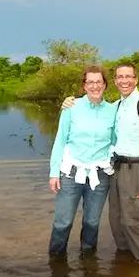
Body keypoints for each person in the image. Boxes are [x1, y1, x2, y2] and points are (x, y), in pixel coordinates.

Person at [61, 62, 139, 262]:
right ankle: (124, 264)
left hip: (137, 169)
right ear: (115, 81)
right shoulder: (116, 106)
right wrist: (68, 102)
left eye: (129, 76)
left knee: (134, 220)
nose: (124, 81)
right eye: (120, 77)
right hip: (116, 168)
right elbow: (94, 114)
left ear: (136, 79)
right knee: (116, 220)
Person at [48, 65, 117, 258]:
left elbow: (116, 142)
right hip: (71, 173)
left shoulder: (113, 110)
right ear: (84, 85)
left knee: (92, 223)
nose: (95, 86)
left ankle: (88, 263)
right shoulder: (72, 107)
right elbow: (60, 140)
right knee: (63, 222)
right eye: (90, 82)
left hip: (100, 175)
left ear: (105, 85)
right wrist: (54, 172)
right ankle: (55, 263)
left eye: (99, 82)